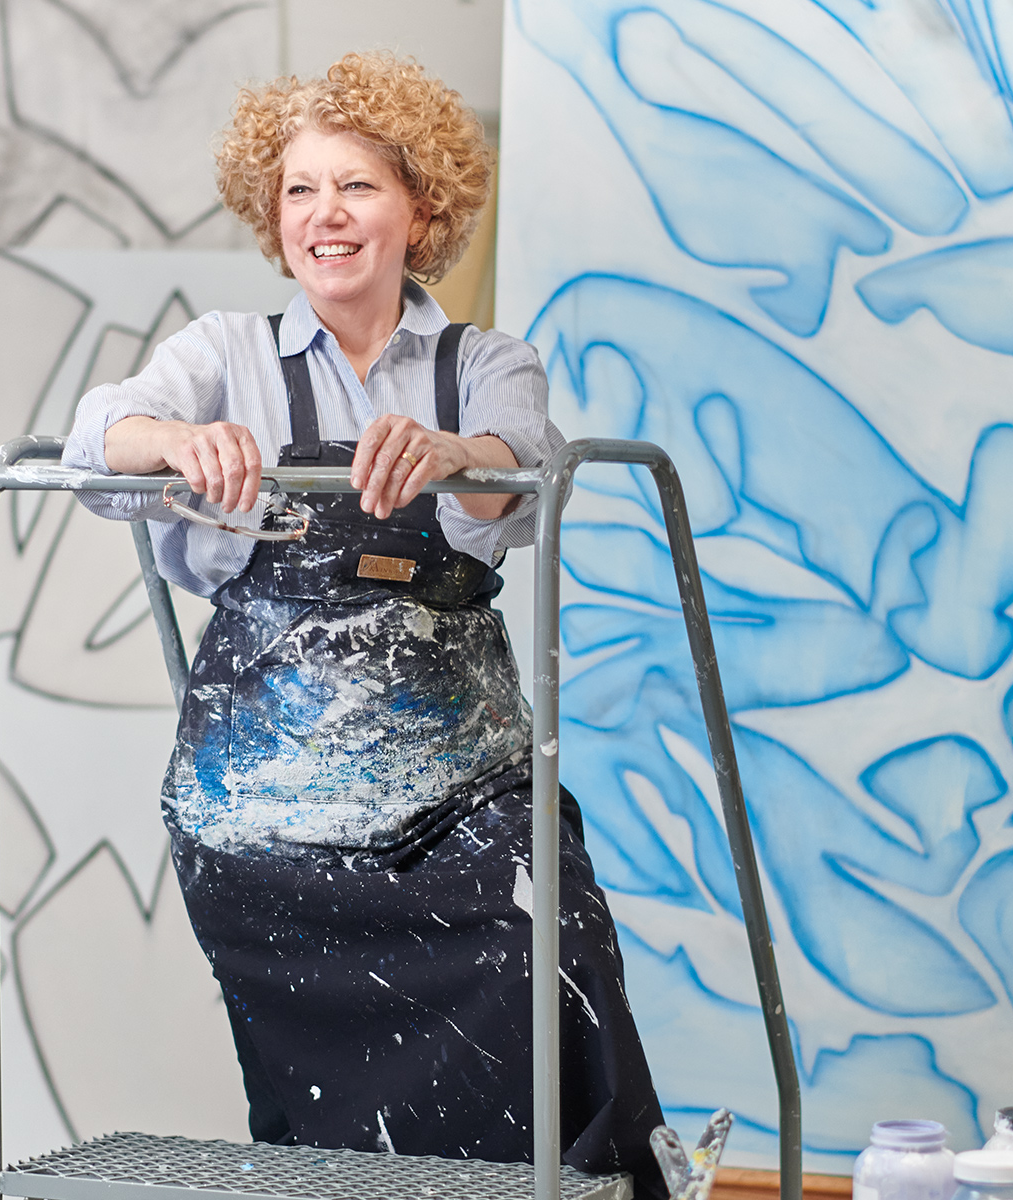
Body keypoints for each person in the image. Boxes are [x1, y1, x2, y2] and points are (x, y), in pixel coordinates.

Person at [62, 51, 666, 1197]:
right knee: (328, 1108)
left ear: (421, 208)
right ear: (271, 213)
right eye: (300, 190)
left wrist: (451, 457)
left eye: (357, 186)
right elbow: (98, 437)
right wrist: (178, 443)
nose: (324, 216)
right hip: (266, 797)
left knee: (558, 947)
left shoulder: (482, 366)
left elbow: (518, 475)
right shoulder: (222, 357)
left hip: (459, 781)